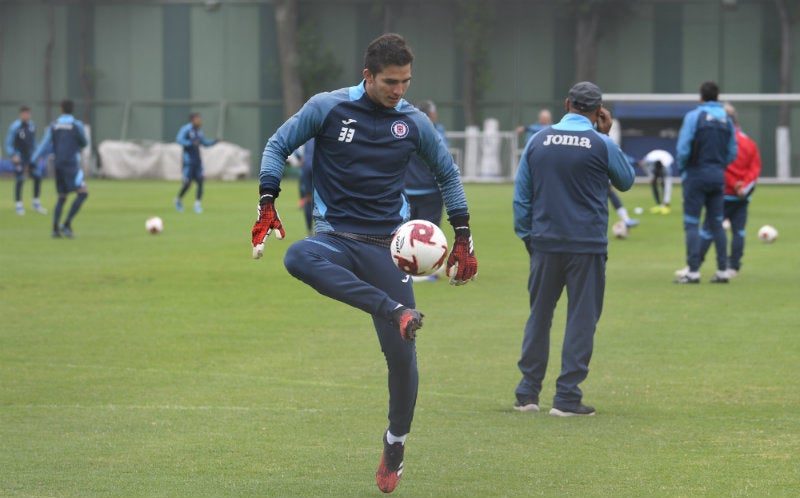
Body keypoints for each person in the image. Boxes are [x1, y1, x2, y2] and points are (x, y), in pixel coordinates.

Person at [250, 33, 478, 493]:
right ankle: (394, 311)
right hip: (336, 238)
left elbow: (447, 175)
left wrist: (463, 235)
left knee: (402, 358)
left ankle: (395, 442)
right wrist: (267, 200)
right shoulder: (327, 108)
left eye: (406, 82)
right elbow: (276, 145)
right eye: (391, 82)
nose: (399, 91)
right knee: (298, 255)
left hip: (387, 248)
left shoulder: (413, 122)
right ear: (367, 76)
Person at [512, 81, 635, 417]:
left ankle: (527, 395)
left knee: (539, 316)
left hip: (545, 242)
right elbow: (626, 180)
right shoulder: (600, 143)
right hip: (587, 246)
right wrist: (606, 135)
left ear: (567, 104)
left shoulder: (538, 140)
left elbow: (522, 197)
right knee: (581, 319)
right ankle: (566, 398)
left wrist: (529, 238)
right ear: (599, 112)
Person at [674, 82, 737, 284]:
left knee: (692, 223)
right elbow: (732, 152)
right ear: (717, 97)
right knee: (717, 223)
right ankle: (722, 271)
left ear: (701, 97)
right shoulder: (727, 119)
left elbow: (684, 147)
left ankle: (693, 272)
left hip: (696, 174)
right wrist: (719, 166)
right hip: (718, 176)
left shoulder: (694, 116)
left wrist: (684, 167)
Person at [689, 103, 761, 279]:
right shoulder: (750, 143)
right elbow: (755, 168)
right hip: (742, 196)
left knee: (708, 229)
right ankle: (733, 267)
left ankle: (695, 266)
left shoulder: (721, 141)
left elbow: (721, 165)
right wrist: (744, 185)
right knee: (739, 232)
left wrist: (734, 183)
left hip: (723, 192)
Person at [30, 99, 89, 238]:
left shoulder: (54, 125)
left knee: (62, 196)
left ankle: (55, 229)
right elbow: (84, 142)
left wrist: (33, 160)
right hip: (71, 165)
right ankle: (66, 224)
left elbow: (44, 144)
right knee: (83, 193)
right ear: (72, 109)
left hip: (58, 164)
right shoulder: (76, 125)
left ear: (61, 109)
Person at [404, 100, 447, 281]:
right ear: (432, 115)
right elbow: (443, 161)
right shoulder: (437, 132)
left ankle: (406, 268)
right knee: (430, 232)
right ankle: (428, 271)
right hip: (430, 190)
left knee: (407, 232)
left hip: (406, 190)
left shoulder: (404, 131)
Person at [6, 106, 47, 215]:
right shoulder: (15, 127)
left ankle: (36, 203)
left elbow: (33, 142)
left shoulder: (32, 126)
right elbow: (8, 143)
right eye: (25, 114)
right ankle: (18, 205)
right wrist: (13, 155)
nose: (27, 116)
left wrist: (37, 153)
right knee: (20, 179)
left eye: (28, 114)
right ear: (21, 114)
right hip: (19, 158)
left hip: (30, 158)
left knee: (37, 177)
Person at [174, 113, 216, 213]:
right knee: (187, 183)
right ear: (192, 120)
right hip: (188, 162)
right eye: (198, 119)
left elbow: (204, 143)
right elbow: (179, 140)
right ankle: (178, 199)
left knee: (200, 181)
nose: (199, 121)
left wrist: (214, 141)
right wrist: (190, 143)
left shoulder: (198, 131)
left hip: (197, 162)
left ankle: (197, 204)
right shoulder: (186, 129)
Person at [642, 149, 675, 214]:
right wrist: (651, 176)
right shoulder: (649, 161)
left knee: (665, 185)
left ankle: (665, 205)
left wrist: (667, 201)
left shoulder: (667, 163)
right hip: (653, 167)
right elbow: (645, 167)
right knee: (654, 184)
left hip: (664, 169)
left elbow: (668, 183)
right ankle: (659, 205)